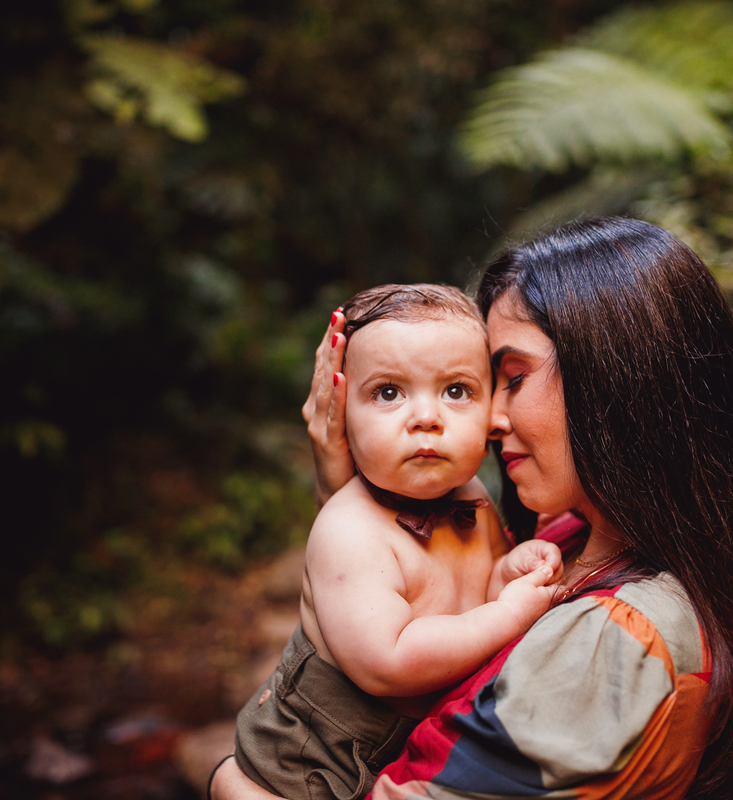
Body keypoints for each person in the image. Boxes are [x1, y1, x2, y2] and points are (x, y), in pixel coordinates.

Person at [212, 217, 733, 800]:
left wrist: (231, 786)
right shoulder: (571, 536)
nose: (491, 420)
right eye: (389, 392)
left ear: (613, 379)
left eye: (510, 378)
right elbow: (391, 583)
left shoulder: (613, 641)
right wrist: (345, 483)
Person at [231, 284, 564, 800]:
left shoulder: (471, 495)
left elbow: (484, 584)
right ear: (340, 415)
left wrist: (513, 570)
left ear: (491, 410)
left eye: (456, 391)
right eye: (388, 392)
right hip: (313, 761)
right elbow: (389, 661)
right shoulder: (349, 531)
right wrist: (510, 615)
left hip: (403, 750)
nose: (427, 417)